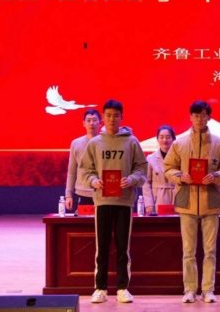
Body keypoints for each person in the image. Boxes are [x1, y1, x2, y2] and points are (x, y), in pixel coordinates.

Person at [164, 101, 220, 304]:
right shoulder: (179, 143)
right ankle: (189, 290)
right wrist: (180, 176)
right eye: (195, 115)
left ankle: (208, 289)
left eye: (202, 115)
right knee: (188, 251)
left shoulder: (219, 143)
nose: (199, 119)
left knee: (210, 250)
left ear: (209, 117)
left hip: (211, 202)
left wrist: (217, 176)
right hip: (187, 203)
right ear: (190, 117)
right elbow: (168, 167)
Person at [81, 99, 147, 304]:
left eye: (116, 115)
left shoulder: (132, 142)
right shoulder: (95, 143)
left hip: (124, 202)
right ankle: (100, 288)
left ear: (121, 117)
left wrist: (132, 179)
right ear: (103, 117)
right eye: (108, 115)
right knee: (102, 247)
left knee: (122, 247)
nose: (112, 119)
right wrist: (94, 181)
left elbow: (141, 169)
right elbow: (86, 170)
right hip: (102, 201)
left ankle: (122, 288)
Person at [65, 109, 101, 214]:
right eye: (88, 120)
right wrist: (68, 195)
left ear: (100, 123)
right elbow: (72, 171)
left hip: (102, 193)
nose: (91, 123)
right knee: (83, 223)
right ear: (83, 123)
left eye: (94, 120)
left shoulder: (105, 143)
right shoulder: (76, 143)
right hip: (82, 193)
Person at [142, 125, 176, 215]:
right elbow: (146, 183)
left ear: (173, 139)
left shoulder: (179, 157)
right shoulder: (151, 158)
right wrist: (149, 204)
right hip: (158, 198)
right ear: (157, 139)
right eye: (161, 137)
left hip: (176, 198)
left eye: (168, 137)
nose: (164, 140)